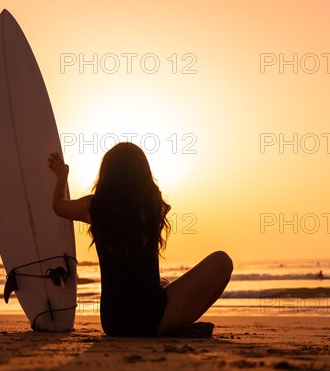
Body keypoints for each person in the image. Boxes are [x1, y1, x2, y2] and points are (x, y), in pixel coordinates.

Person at [48, 142, 233, 337]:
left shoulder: (93, 207)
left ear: (108, 173)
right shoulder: (151, 207)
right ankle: (176, 329)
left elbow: (58, 206)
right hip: (149, 319)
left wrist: (61, 177)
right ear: (143, 173)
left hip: (113, 322)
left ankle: (173, 327)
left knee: (162, 282)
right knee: (223, 261)